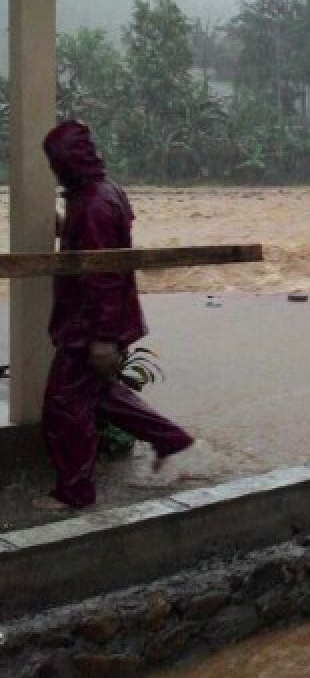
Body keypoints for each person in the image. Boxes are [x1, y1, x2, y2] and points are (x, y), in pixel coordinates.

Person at [37, 121, 193, 510]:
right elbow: (107, 242)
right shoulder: (104, 193)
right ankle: (172, 440)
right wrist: (65, 227)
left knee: (63, 407)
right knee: (102, 395)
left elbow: (104, 275)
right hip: (94, 322)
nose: (54, 169)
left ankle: (75, 494)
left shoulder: (92, 205)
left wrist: (103, 339)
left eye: (56, 163)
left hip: (89, 326)